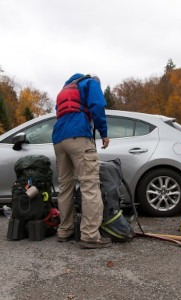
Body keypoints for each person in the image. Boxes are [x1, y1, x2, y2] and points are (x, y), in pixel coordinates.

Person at [52, 73, 111, 249]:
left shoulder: (65, 89)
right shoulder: (90, 82)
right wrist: (104, 132)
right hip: (79, 136)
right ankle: (90, 236)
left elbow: (59, 112)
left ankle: (65, 230)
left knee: (65, 186)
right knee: (90, 185)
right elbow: (98, 105)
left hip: (59, 139)